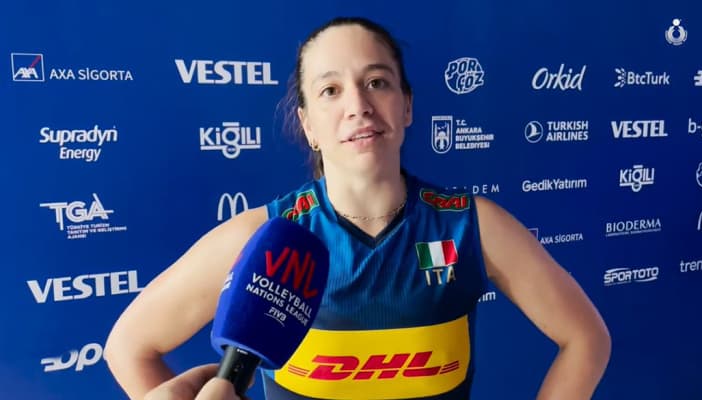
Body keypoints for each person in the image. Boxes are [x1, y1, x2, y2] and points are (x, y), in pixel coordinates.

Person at [104, 16, 611, 400]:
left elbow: (586, 338)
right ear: (308, 125)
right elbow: (129, 347)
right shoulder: (263, 237)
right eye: (330, 90)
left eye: (377, 82)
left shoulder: (469, 224)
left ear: (406, 105)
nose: (358, 106)